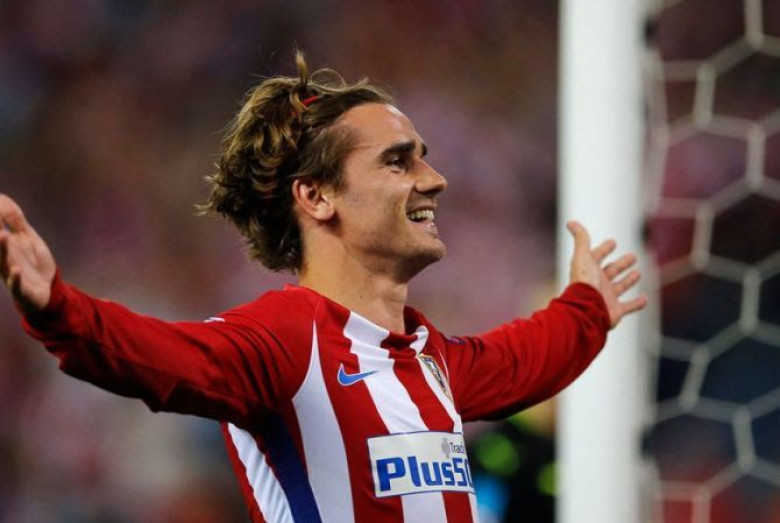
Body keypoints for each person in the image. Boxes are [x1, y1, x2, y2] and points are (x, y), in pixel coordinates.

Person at [0, 53, 646, 523]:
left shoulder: (428, 359)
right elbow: (153, 358)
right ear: (316, 197)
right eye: (399, 160)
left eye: (423, 156)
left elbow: (522, 361)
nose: (434, 178)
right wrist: (56, 306)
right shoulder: (283, 343)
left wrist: (588, 305)